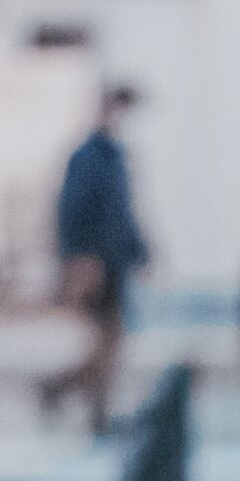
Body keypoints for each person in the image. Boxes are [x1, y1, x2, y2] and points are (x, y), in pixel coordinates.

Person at [40, 84, 149, 438]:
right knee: (106, 343)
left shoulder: (114, 157)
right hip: (97, 267)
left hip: (115, 264)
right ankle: (66, 396)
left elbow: (123, 215)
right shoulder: (90, 158)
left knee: (109, 343)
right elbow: (74, 213)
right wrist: (80, 260)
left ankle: (91, 410)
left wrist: (141, 252)